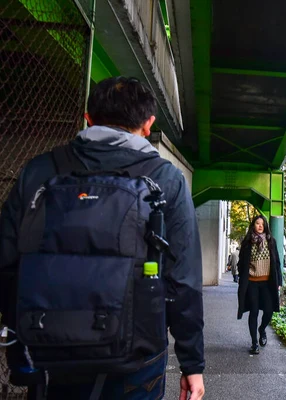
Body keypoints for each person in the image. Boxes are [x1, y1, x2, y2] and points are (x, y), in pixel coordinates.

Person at [0, 77, 205, 399]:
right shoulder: (166, 179)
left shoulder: (40, 171)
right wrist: (192, 363)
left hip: (47, 346)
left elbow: (7, 262)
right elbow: (183, 281)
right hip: (136, 352)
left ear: (88, 118)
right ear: (148, 124)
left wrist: (19, 329)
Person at [237, 215, 282, 355]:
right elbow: (241, 263)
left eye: (262, 223)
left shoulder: (271, 241)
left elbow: (277, 263)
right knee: (254, 311)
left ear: (266, 226)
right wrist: (243, 274)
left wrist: (279, 282)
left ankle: (262, 329)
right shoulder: (247, 242)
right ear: (253, 225)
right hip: (252, 283)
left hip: (267, 283)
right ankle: (254, 343)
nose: (260, 226)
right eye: (257, 223)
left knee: (269, 310)